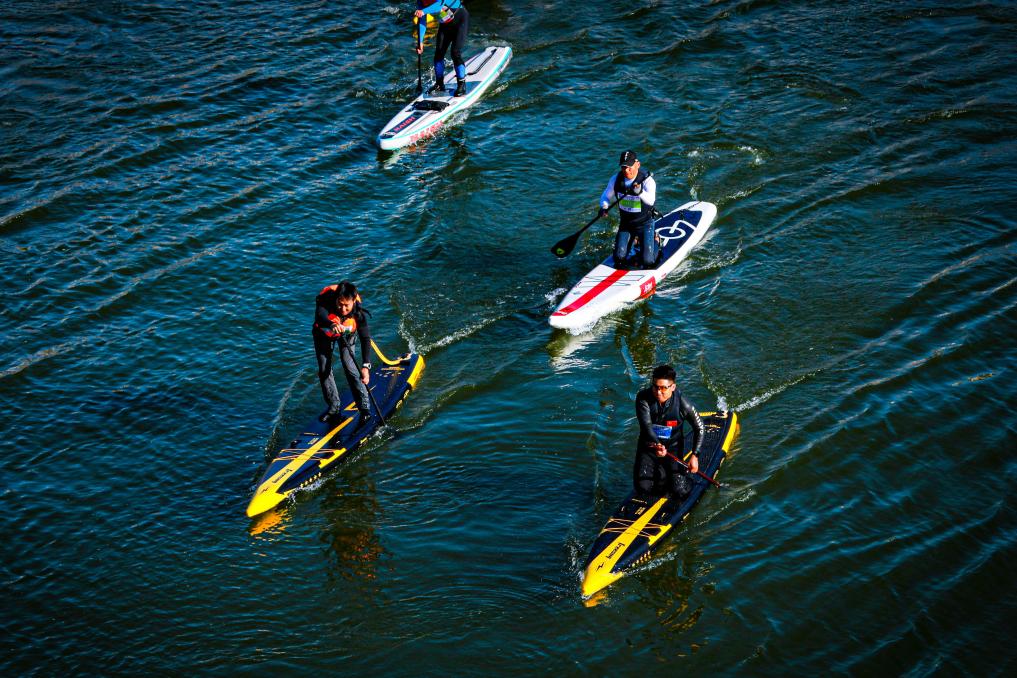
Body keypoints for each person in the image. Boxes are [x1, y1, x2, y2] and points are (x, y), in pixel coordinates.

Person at [633, 364, 704, 501]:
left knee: (680, 492)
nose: (658, 392)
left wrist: (695, 455)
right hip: (649, 448)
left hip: (673, 449)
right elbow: (646, 426)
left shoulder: (684, 404)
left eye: (663, 388)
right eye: (655, 387)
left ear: (673, 387)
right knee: (643, 489)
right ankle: (661, 477)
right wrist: (658, 445)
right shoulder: (643, 398)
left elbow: (700, 428)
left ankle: (683, 477)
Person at [312, 281, 373, 424]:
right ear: (336, 299)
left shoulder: (358, 313)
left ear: (353, 301)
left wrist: (366, 366)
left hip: (347, 334)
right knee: (324, 369)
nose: (343, 309)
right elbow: (320, 315)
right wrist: (332, 324)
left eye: (347, 305)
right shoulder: (326, 299)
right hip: (324, 333)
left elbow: (365, 339)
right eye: (340, 304)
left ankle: (364, 409)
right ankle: (334, 408)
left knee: (350, 366)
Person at [599, 150, 658, 269]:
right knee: (619, 258)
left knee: (648, 261)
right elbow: (605, 196)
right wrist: (604, 207)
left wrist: (640, 192)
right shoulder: (615, 180)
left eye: (629, 167)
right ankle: (634, 241)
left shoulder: (647, 180)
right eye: (623, 167)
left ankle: (656, 240)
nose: (626, 170)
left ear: (637, 165)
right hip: (626, 224)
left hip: (645, 223)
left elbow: (651, 201)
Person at [415, 1, 470, 97]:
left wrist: (423, 11)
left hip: (460, 21)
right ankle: (440, 84)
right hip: (445, 24)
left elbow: (439, 6)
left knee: (455, 52)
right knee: (438, 54)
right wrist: (420, 41)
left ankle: (462, 85)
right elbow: (422, 21)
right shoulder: (420, 1)